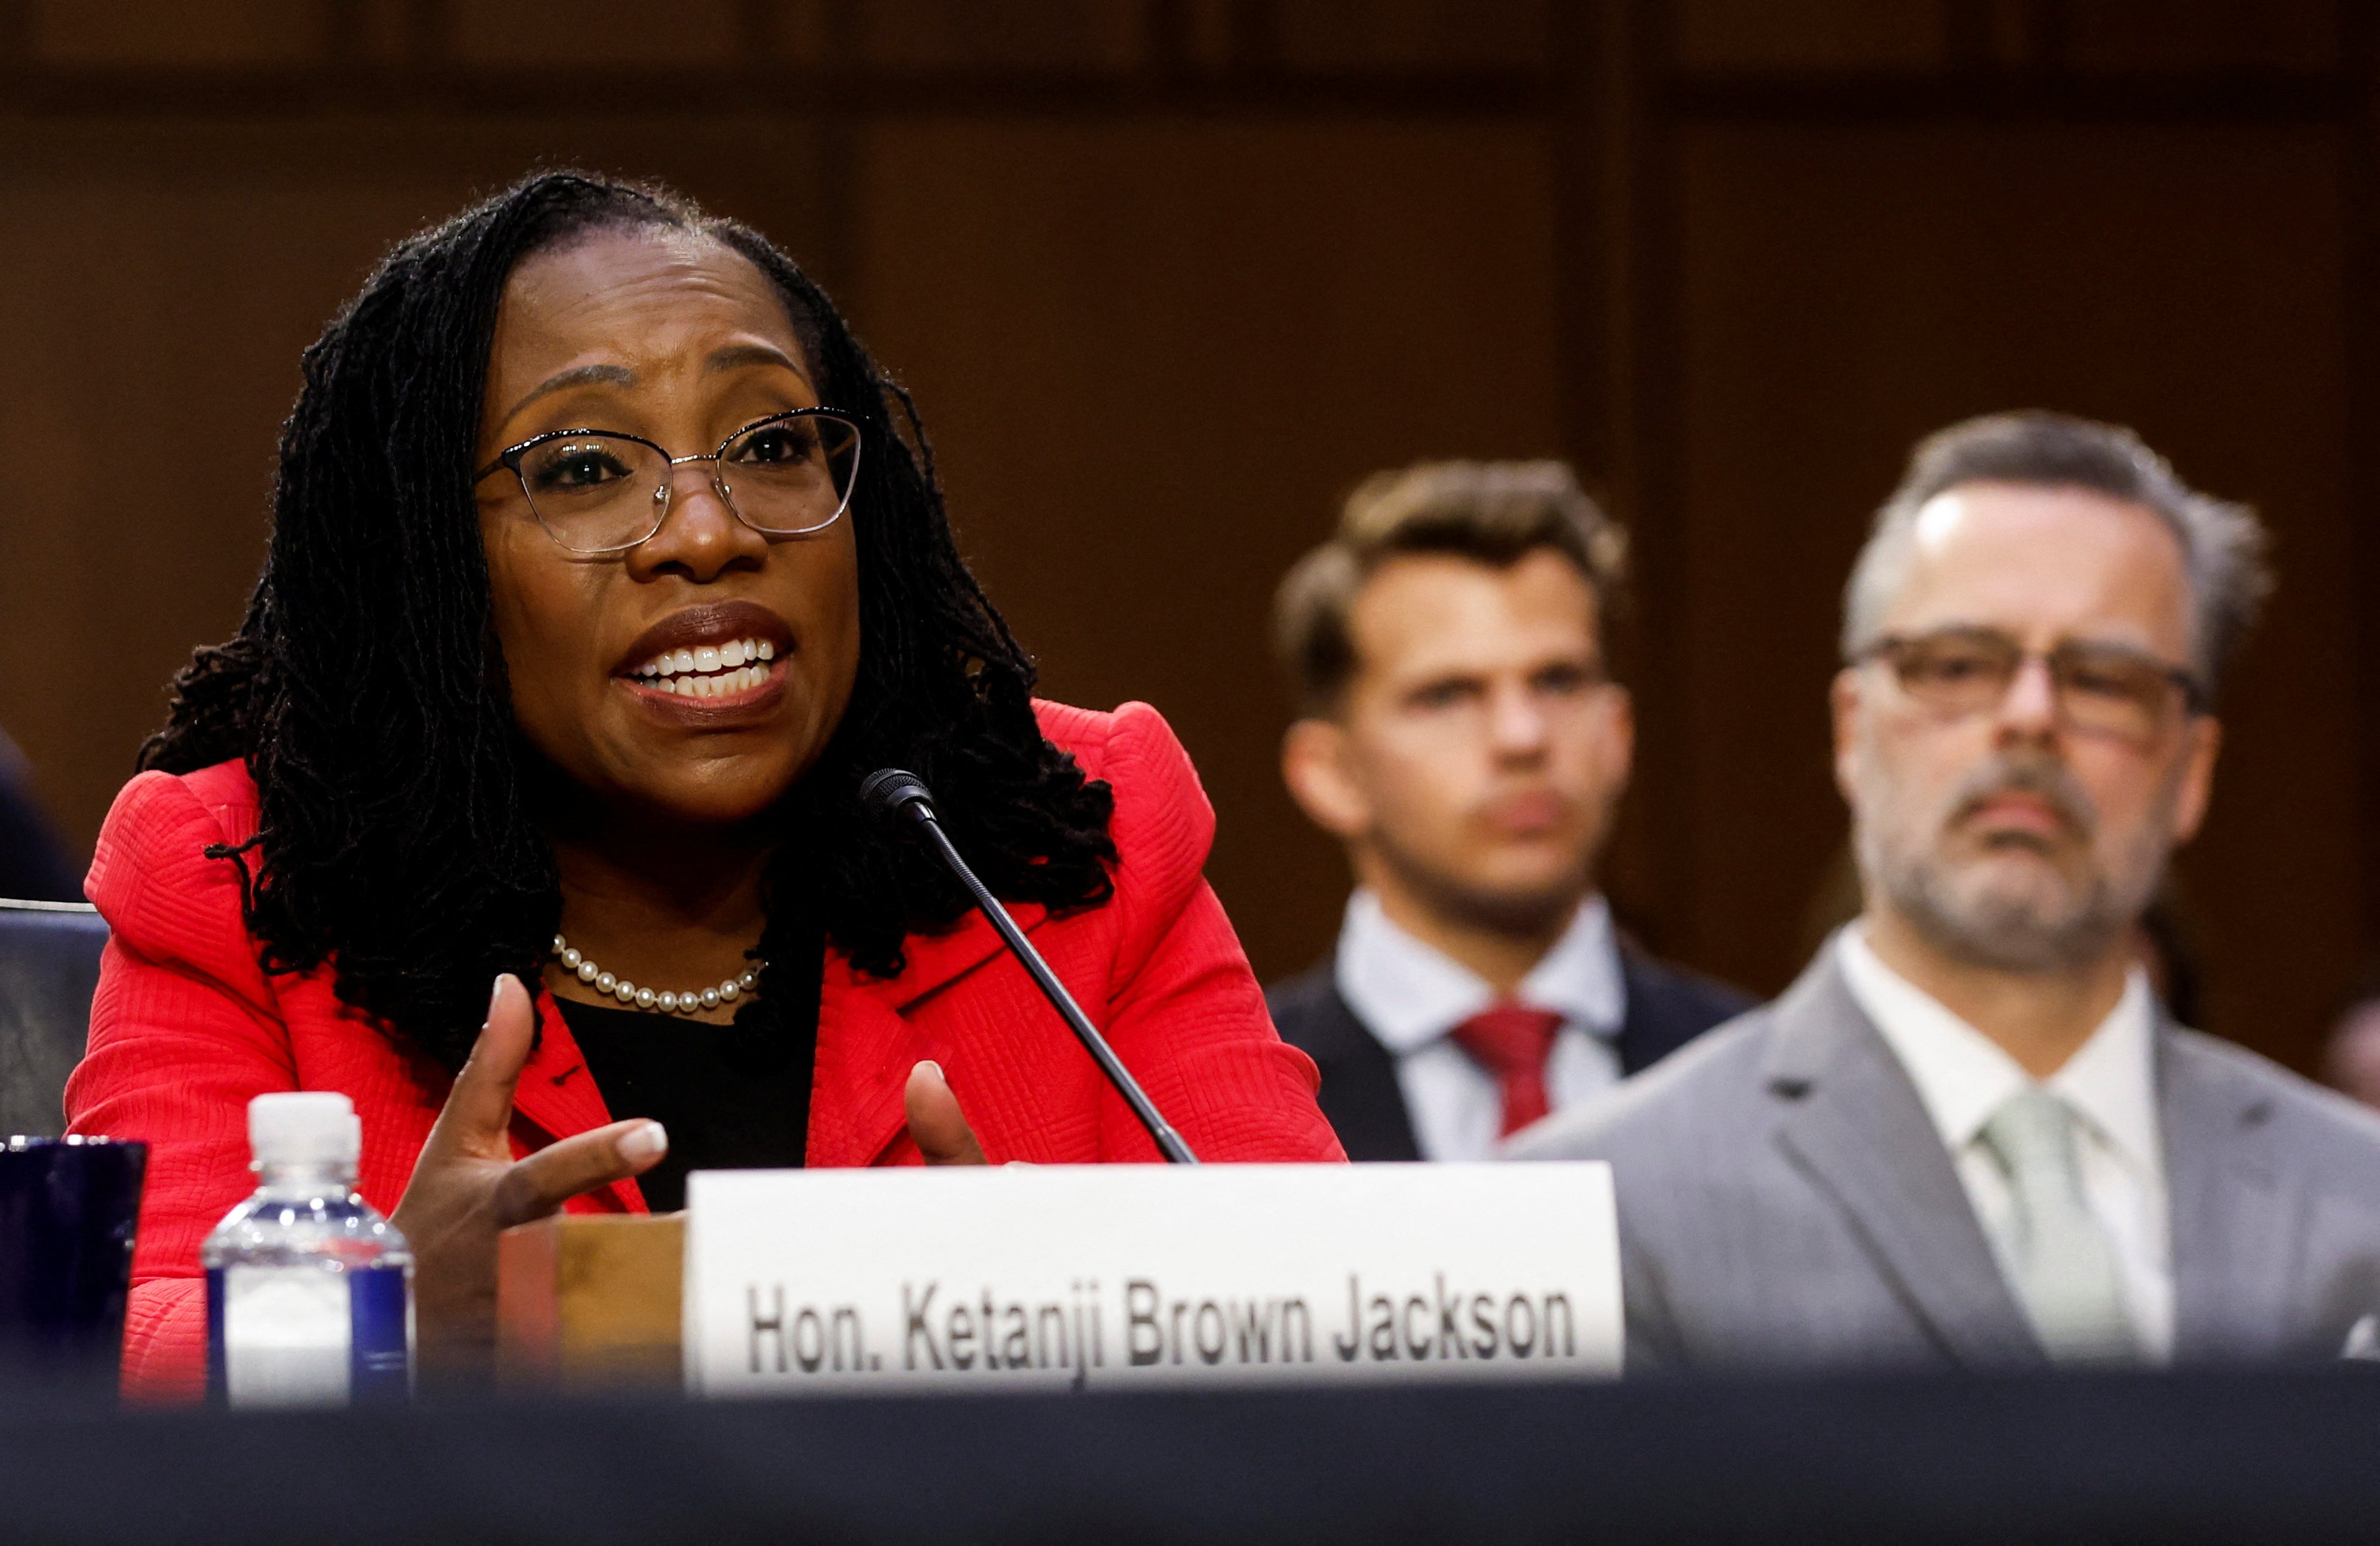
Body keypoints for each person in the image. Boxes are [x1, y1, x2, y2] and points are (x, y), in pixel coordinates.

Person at [65, 172, 1343, 1400]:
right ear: (429, 559)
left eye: (772, 441)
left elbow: (1338, 1306)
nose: (708, 530)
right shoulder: (244, 877)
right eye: (582, 467)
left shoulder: (1055, 846)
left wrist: (1060, 1313)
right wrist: (387, 1322)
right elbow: (89, 1357)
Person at [1513, 410, 2380, 1372]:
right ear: (1851, 727)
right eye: (1957, 665)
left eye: (2102, 679)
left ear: (2193, 768)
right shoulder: (1588, 1209)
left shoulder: (2357, 1199)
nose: (2027, 718)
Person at [1266, 462, 1748, 1161]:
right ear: (1331, 773)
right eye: (1447, 696)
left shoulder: (1755, 1073)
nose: (1522, 737)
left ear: (1618, 734)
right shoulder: (1225, 1100)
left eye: (1558, 681)